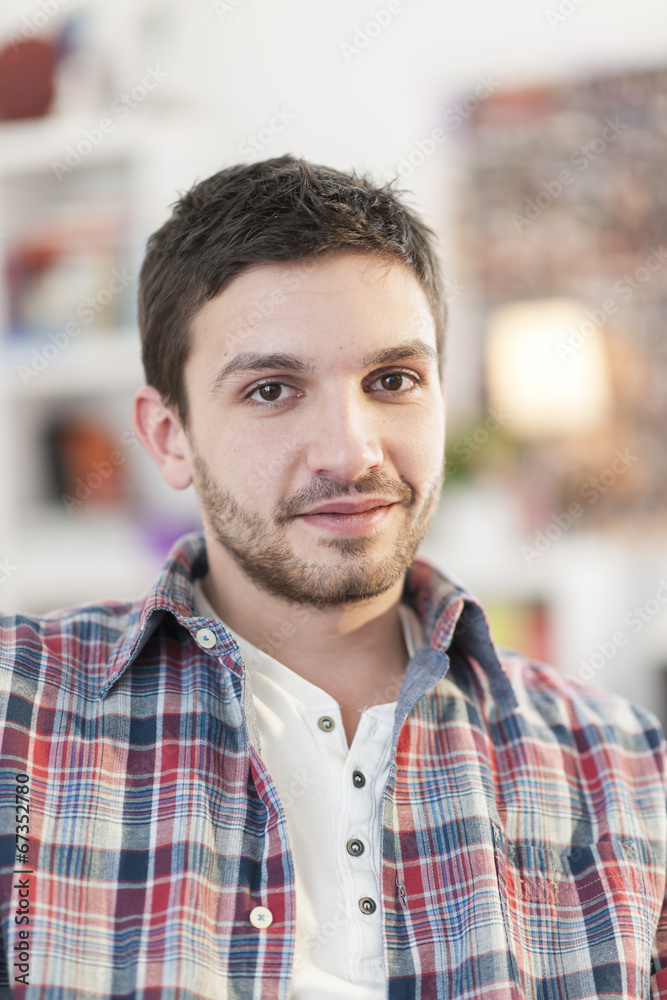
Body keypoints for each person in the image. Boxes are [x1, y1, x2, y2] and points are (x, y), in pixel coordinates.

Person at [0, 155, 666, 1000]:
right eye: (273, 390)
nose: (351, 453)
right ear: (170, 437)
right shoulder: (19, 712)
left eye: (392, 381)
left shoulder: (629, 771)